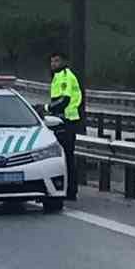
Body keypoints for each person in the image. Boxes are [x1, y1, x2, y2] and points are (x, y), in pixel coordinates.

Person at [47, 52, 84, 200]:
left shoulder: (66, 76)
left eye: (56, 61)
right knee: (62, 157)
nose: (53, 64)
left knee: (68, 156)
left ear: (63, 62)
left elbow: (64, 101)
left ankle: (71, 190)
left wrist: (47, 108)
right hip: (59, 120)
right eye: (52, 61)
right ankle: (64, 188)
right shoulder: (57, 77)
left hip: (68, 120)